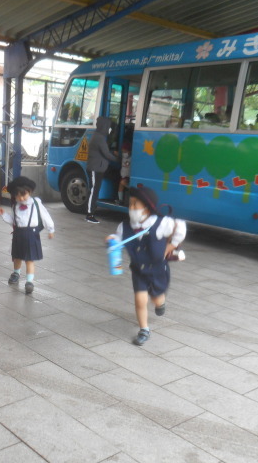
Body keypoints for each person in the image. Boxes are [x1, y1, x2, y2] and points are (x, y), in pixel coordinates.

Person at [106, 186, 187, 346]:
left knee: (156, 299)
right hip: (138, 270)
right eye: (130, 204)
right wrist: (112, 240)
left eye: (136, 204)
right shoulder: (125, 226)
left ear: (148, 207)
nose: (132, 208)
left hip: (158, 270)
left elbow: (180, 226)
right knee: (140, 300)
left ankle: (160, 302)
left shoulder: (161, 223)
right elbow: (118, 238)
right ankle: (144, 329)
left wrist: (172, 245)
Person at [0, 176, 54, 294]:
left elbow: (45, 216)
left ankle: (29, 282)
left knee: (29, 259)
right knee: (17, 256)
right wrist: (3, 215)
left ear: (30, 192)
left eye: (24, 194)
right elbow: (13, 220)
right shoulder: (15, 206)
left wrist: (51, 229)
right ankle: (16, 273)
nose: (21, 198)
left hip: (31, 234)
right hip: (19, 234)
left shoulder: (36, 204)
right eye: (17, 196)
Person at [85, 116, 117, 223]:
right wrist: (119, 159)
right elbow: (107, 154)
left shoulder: (99, 137)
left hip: (98, 169)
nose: (110, 129)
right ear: (104, 126)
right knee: (93, 190)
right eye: (108, 127)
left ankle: (91, 212)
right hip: (94, 169)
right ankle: (89, 215)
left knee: (95, 190)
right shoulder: (99, 138)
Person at [116, 124, 133, 205]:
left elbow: (122, 157)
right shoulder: (127, 156)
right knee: (121, 184)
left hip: (126, 176)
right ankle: (120, 199)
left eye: (124, 151)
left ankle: (121, 199)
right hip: (125, 175)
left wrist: (116, 153)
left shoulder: (126, 157)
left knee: (122, 183)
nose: (123, 152)